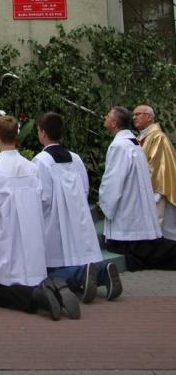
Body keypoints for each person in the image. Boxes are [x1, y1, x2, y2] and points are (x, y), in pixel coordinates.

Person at [0, 114, 80, 321]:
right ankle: (53, 287)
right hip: (31, 248)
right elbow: (41, 198)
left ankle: (38, 297)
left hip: (5, 242)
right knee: (29, 280)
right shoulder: (31, 167)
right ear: (17, 135)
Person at [33, 112, 122, 302]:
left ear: (42, 133)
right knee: (79, 258)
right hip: (78, 218)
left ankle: (83, 276)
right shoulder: (75, 158)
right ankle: (102, 272)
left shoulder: (41, 161)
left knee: (48, 275)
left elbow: (43, 198)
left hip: (55, 222)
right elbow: (84, 188)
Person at [99, 105, 176, 271]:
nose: (104, 118)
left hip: (127, 221)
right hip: (136, 208)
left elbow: (113, 181)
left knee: (141, 251)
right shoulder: (133, 142)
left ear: (114, 124)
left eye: (107, 116)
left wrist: (104, 203)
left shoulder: (120, 146)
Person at [133, 104, 176, 241]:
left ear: (149, 117)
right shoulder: (142, 137)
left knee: (162, 230)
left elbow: (156, 168)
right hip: (148, 189)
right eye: (133, 115)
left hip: (157, 189)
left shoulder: (158, 137)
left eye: (137, 114)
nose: (134, 118)